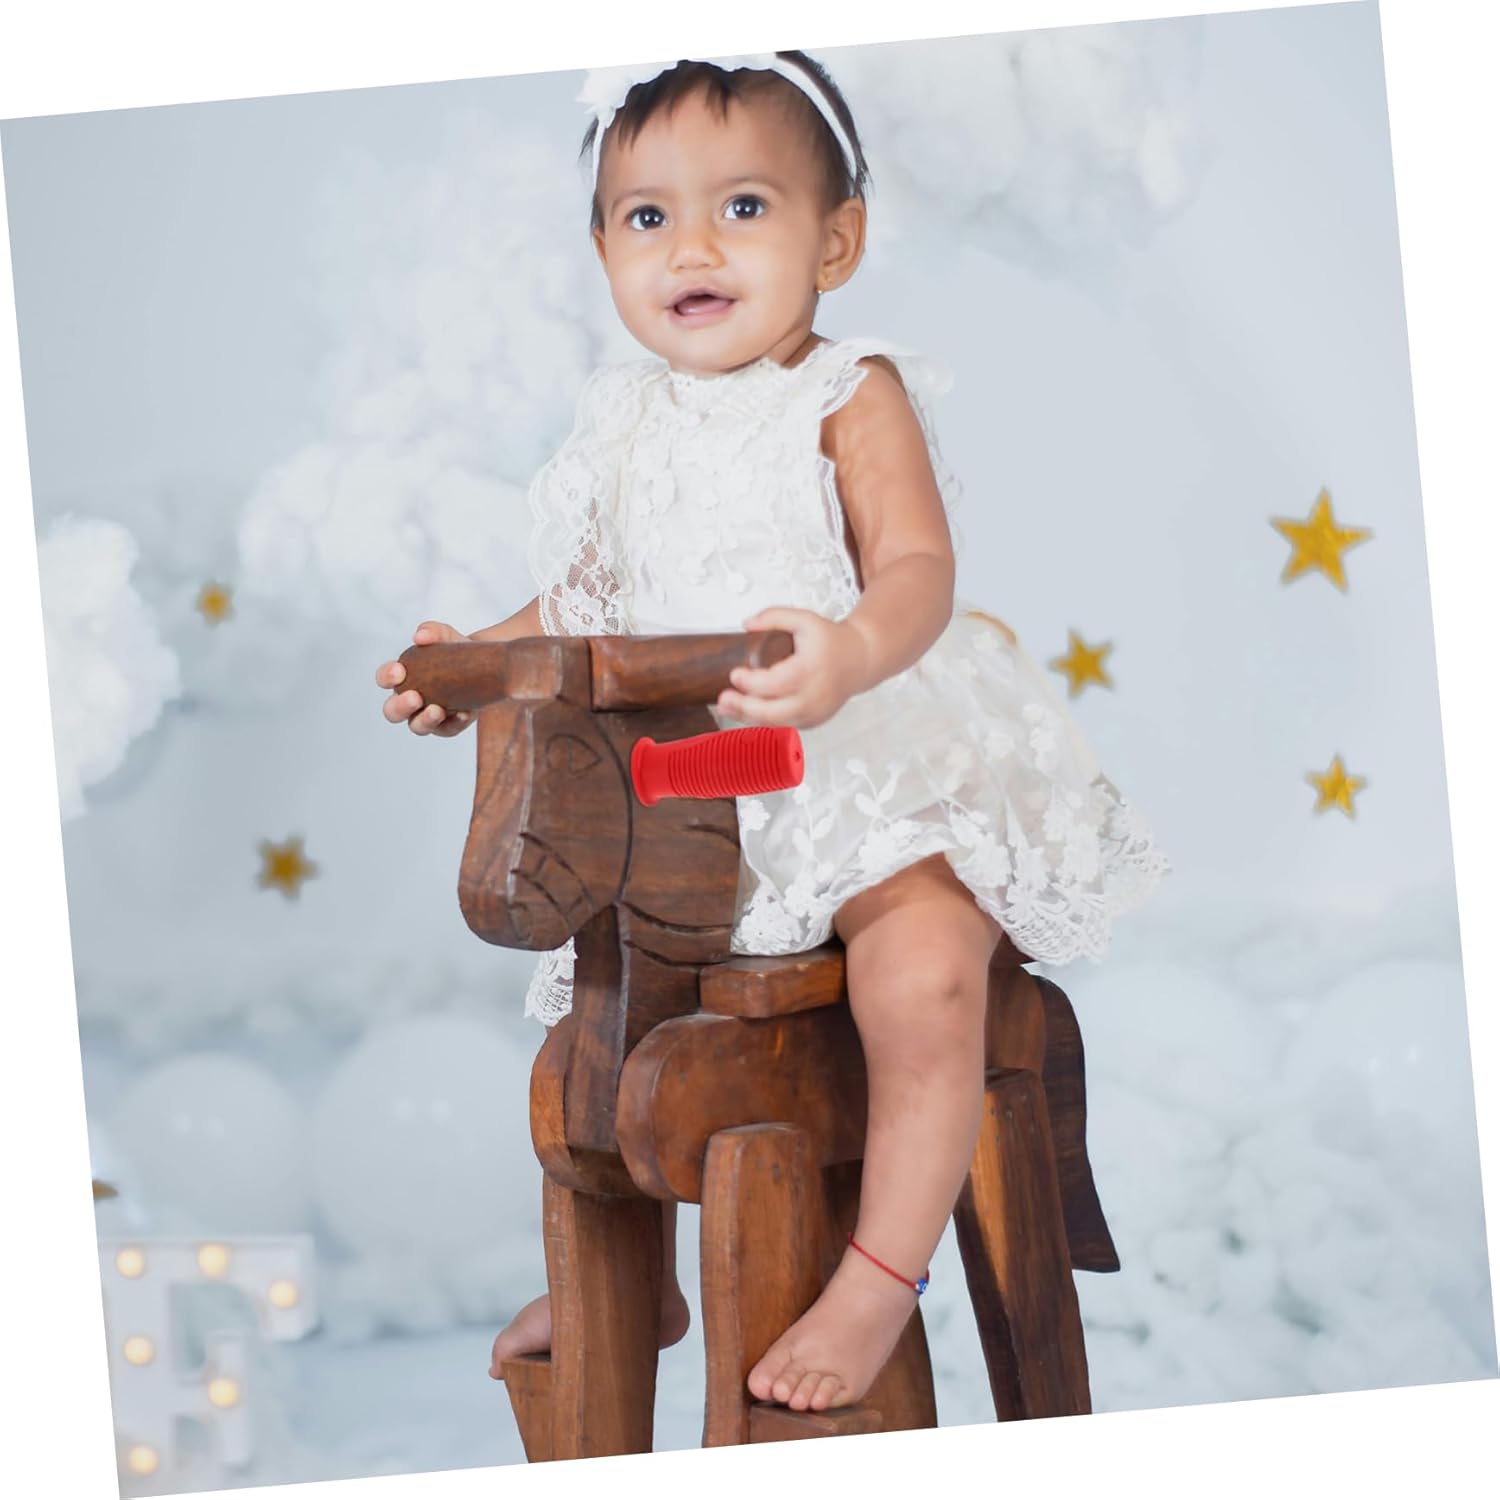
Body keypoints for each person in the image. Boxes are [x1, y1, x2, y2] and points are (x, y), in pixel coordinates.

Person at [375, 50, 1169, 1415]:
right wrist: (478, 669)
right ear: (603, 253)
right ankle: (630, 1278)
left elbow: (916, 568)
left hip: (856, 749)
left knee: (923, 970)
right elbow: (584, 599)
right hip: (704, 774)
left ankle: (879, 1274)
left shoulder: (848, 391)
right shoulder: (621, 423)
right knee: (610, 997)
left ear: (835, 241)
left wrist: (849, 650)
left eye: (742, 207)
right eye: (648, 216)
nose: (693, 246)